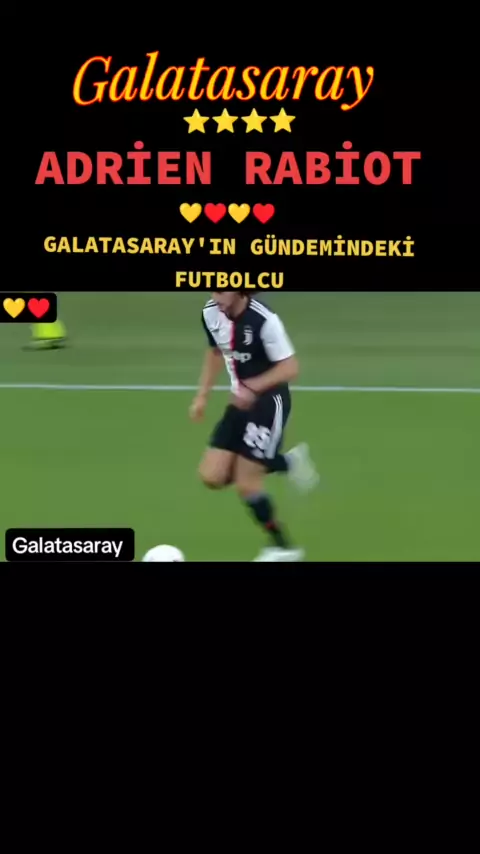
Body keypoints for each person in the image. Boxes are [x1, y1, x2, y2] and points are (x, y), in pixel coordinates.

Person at [189, 293, 319, 562]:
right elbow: (215, 351)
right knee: (212, 476)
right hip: (240, 402)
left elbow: (290, 367)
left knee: (247, 483)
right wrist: (202, 396)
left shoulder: (264, 319)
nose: (216, 296)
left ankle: (283, 547)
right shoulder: (211, 313)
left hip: (269, 402)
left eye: (222, 290)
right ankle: (287, 463)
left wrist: (253, 387)